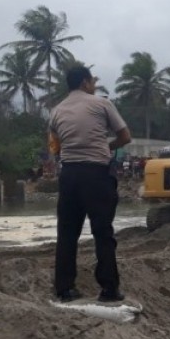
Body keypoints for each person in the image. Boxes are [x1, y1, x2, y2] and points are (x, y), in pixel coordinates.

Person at [49, 66, 131, 303]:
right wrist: (107, 147)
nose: (94, 85)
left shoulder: (56, 111)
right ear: (85, 82)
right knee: (102, 232)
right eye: (92, 81)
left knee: (67, 233)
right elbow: (125, 137)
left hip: (69, 174)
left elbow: (56, 146)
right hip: (95, 174)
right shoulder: (102, 104)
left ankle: (64, 289)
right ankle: (109, 290)